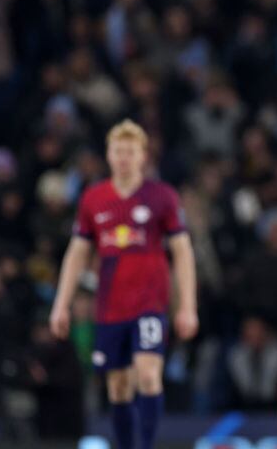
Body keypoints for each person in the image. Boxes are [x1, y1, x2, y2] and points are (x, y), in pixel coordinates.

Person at [49, 120, 198, 449]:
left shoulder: (162, 197)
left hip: (150, 302)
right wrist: (61, 304)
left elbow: (183, 252)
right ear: (109, 155)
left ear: (143, 156)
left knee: (147, 373)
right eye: (118, 151)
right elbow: (77, 253)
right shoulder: (94, 199)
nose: (124, 158)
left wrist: (187, 306)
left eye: (130, 152)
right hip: (111, 305)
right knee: (117, 385)